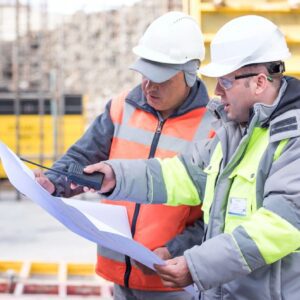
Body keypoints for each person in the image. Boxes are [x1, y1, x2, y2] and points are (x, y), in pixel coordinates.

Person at [89, 15, 300, 300]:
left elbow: (281, 224)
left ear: (260, 82)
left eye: (225, 81)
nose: (217, 92)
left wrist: (197, 264)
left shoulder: (292, 140)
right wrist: (117, 176)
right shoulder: (236, 132)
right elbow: (183, 173)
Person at [35, 11, 213, 300]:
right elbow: (82, 156)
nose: (149, 85)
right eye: (145, 74)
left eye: (161, 78)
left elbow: (217, 217)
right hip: (120, 279)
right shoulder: (120, 108)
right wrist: (54, 183)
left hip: (175, 284)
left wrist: (175, 249)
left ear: (191, 72)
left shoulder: (214, 128)